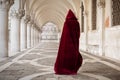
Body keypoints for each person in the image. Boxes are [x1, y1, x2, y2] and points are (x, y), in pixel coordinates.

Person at [54, 9, 83, 75]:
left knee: (65, 56)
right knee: (74, 55)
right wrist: (76, 39)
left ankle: (65, 68)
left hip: (66, 43)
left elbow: (65, 34)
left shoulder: (66, 23)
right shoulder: (77, 23)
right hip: (75, 41)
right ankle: (72, 68)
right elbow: (78, 33)